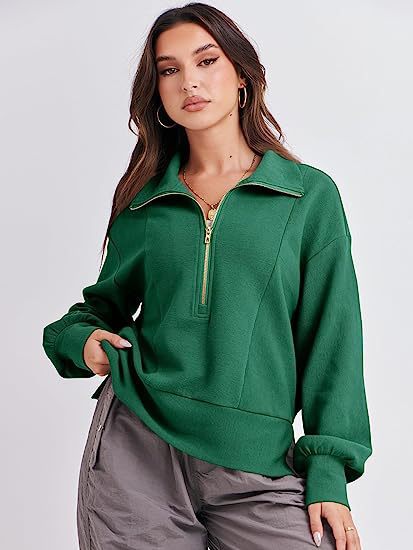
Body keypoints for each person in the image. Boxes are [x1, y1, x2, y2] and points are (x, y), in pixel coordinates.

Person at [42, 3, 372, 549]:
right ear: (158, 92)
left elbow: (332, 340)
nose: (188, 82)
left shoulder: (307, 196)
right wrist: (80, 342)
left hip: (258, 462)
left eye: (206, 60)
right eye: (169, 70)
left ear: (242, 75)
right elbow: (96, 310)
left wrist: (329, 474)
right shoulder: (145, 201)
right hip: (136, 451)